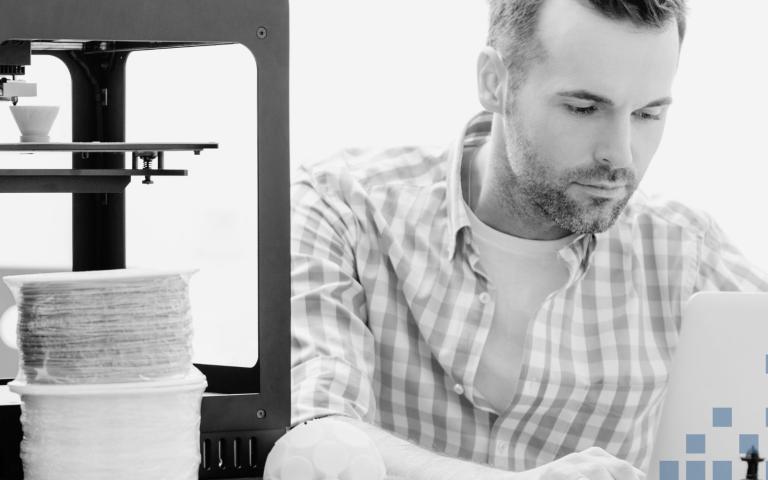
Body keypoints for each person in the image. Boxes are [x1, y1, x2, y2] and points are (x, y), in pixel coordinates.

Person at [291, 0, 768, 478]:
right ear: (495, 82)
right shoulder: (344, 208)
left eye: (647, 115)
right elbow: (315, 433)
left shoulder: (685, 254)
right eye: (584, 108)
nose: (620, 155)